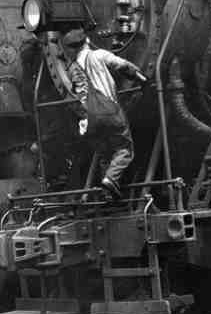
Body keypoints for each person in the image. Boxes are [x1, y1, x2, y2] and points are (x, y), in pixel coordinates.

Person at [60, 28, 148, 200]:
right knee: (124, 148)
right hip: (108, 110)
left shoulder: (71, 69)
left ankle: (106, 193)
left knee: (104, 151)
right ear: (86, 42)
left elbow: (76, 93)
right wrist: (142, 79)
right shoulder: (98, 55)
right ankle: (110, 179)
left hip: (88, 119)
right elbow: (122, 66)